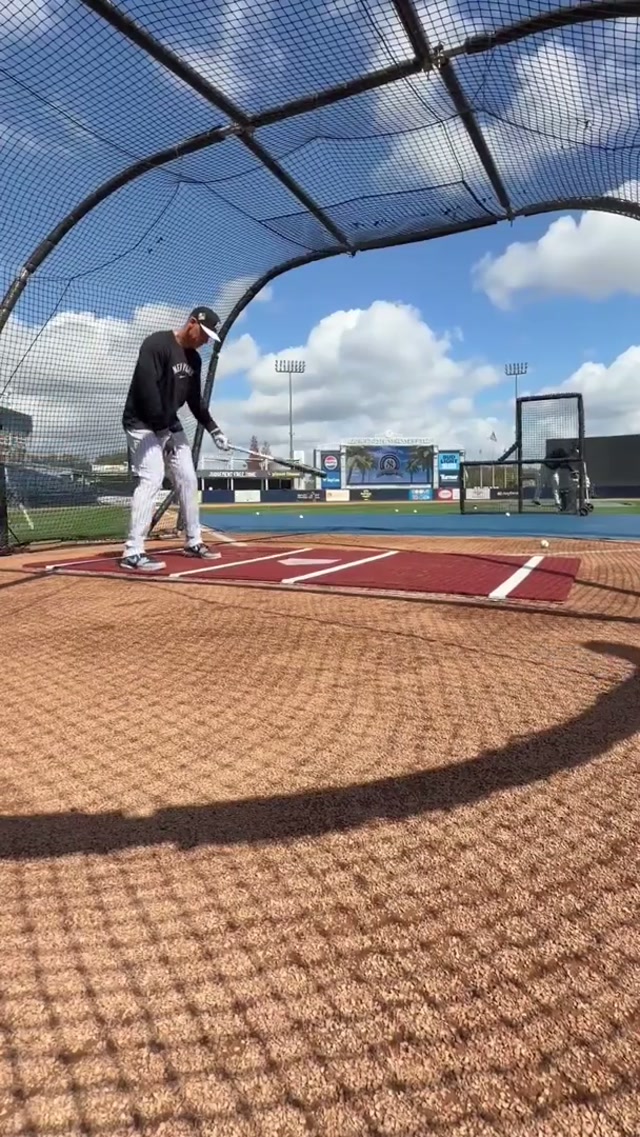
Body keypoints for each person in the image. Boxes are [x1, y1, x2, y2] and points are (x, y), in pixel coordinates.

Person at [120, 305, 230, 572]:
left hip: (169, 423)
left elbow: (194, 401)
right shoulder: (156, 344)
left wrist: (214, 429)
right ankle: (132, 552)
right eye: (203, 334)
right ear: (191, 323)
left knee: (188, 479)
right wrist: (162, 431)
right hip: (142, 422)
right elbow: (147, 393)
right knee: (152, 477)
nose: (204, 341)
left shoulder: (195, 360)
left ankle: (194, 541)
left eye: (208, 338)